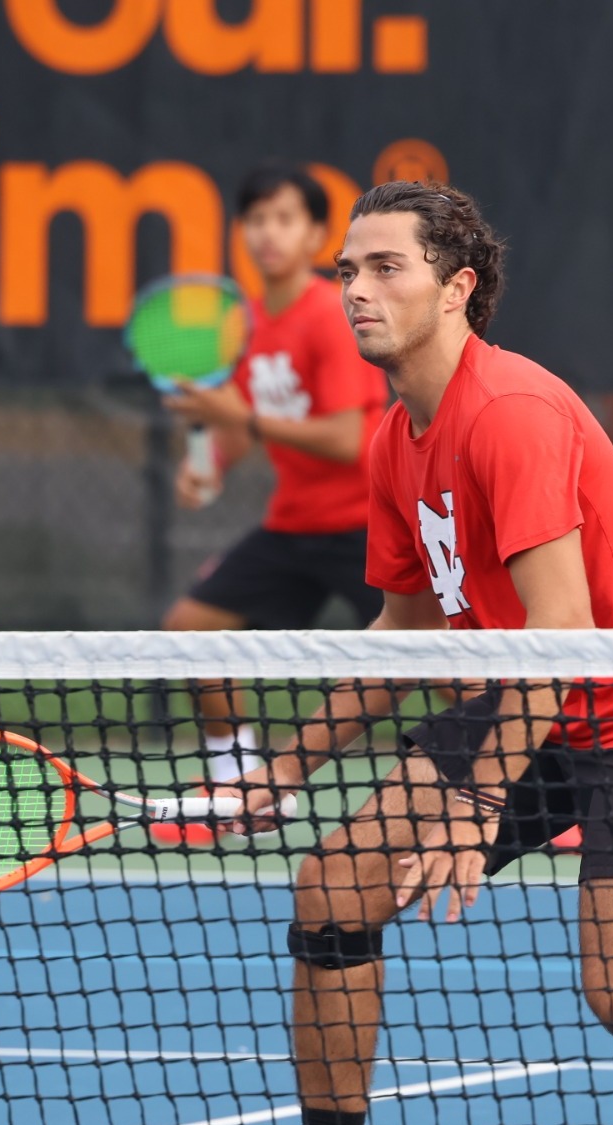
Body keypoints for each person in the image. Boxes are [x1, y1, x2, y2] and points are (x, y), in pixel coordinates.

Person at [216, 182, 613, 1125]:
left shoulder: (511, 412)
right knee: (334, 889)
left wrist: (475, 806)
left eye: (386, 267)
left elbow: (564, 630)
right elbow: (404, 633)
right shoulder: (393, 443)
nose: (356, 291)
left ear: (456, 287)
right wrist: (285, 769)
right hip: (535, 700)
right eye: (348, 271)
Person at [155, 163, 389, 844]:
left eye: (285, 219)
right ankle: (241, 791)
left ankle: (543, 783)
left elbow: (349, 440)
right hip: (294, 525)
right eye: (256, 220)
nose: (268, 233)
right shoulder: (246, 325)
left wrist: (244, 421)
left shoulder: (330, 316)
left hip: (371, 523)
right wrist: (208, 467)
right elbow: (238, 425)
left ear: (316, 235)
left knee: (445, 667)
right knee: (190, 631)